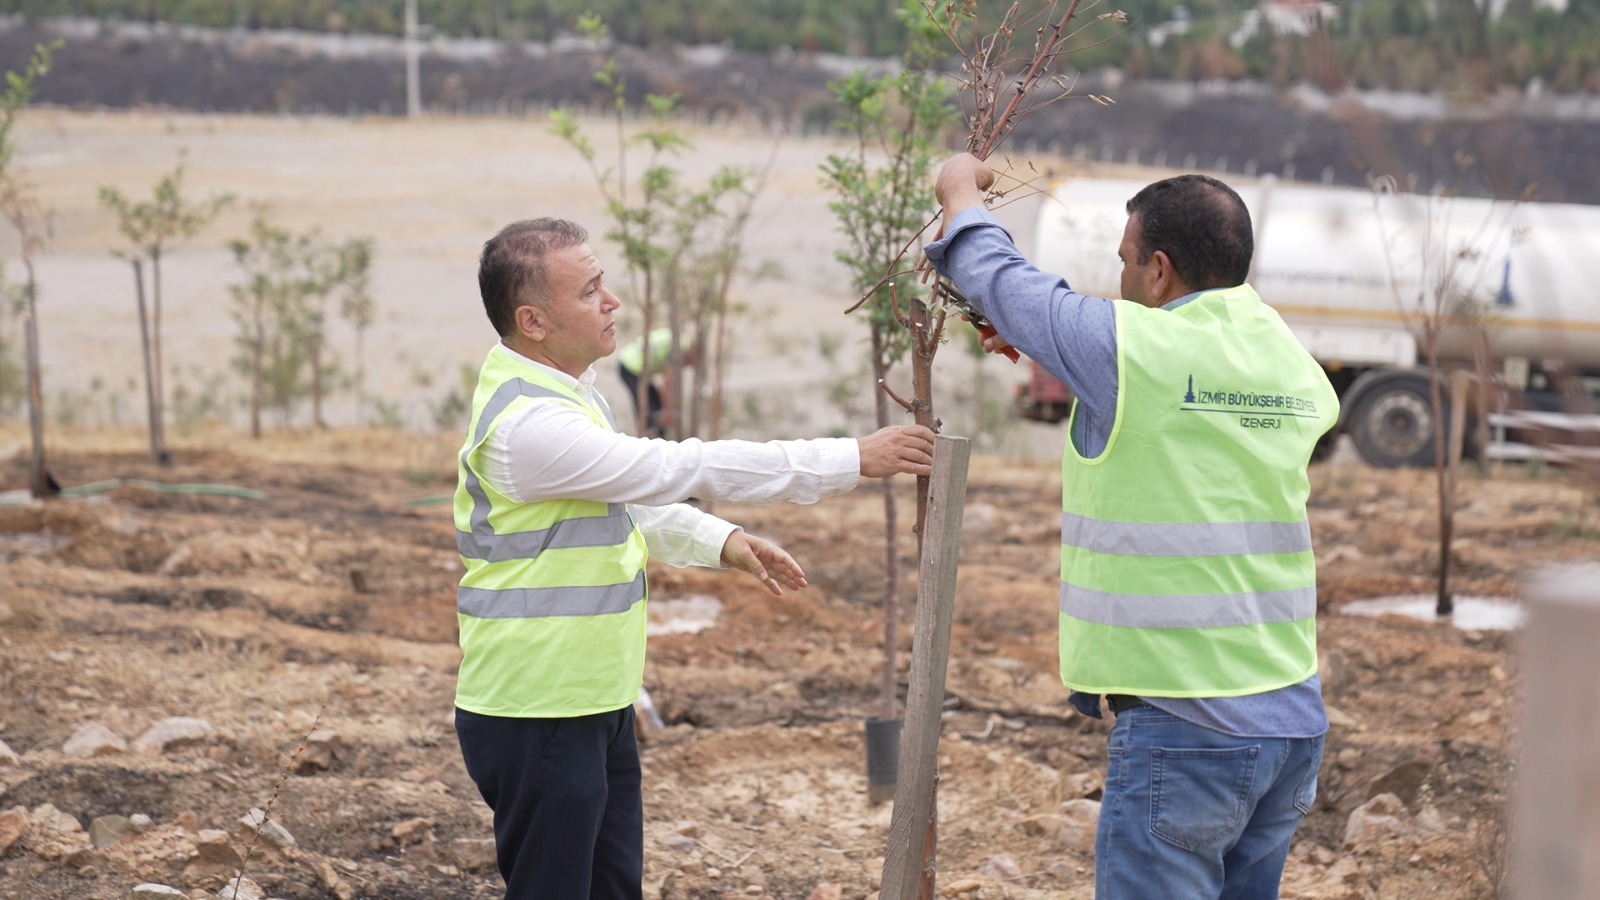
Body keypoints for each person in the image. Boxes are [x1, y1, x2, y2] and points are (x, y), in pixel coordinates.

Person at [454, 217, 936, 900]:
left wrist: (723, 543)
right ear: (533, 320)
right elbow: (674, 467)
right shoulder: (528, 426)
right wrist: (849, 458)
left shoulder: (568, 393)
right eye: (591, 290)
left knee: (612, 886)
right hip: (536, 708)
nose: (613, 301)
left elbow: (625, 500)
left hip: (592, 698)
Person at [926, 154, 1338, 900]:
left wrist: (959, 191)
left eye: (1123, 262)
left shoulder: (1134, 351)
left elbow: (1009, 283)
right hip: (1289, 720)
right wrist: (1077, 362)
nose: (1117, 280)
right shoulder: (1285, 355)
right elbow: (1186, 426)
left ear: (1157, 269)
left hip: (1188, 728)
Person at [617, 326, 694, 438]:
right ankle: (650, 437)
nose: (688, 367)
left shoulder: (682, 341)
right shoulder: (679, 349)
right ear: (693, 353)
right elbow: (667, 384)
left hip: (637, 369)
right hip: (630, 367)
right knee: (647, 408)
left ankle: (657, 436)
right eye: (691, 364)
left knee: (656, 404)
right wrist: (668, 411)